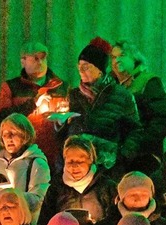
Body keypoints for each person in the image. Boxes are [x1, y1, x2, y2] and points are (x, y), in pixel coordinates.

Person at [61, 36, 144, 179]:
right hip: (76, 167)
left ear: (99, 69)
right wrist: (60, 124)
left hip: (107, 168)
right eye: (79, 66)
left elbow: (136, 130)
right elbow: (65, 130)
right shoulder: (74, 95)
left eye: (86, 66)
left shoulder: (121, 95)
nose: (80, 70)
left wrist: (122, 155)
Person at [0, 41, 69, 169]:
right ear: (23, 61)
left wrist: (62, 122)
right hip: (21, 156)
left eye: (43, 58)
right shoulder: (11, 88)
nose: (40, 62)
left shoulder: (62, 87)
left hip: (55, 155)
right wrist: (32, 104)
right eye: (35, 58)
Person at [0, 113, 50, 225]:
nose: (9, 138)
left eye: (14, 133)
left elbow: (37, 200)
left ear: (25, 136)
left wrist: (6, 196)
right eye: (5, 135)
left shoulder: (37, 163)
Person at [38, 135, 118, 225]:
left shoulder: (106, 187)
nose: (74, 166)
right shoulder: (56, 189)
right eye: (70, 161)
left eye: (80, 161)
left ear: (91, 161)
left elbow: (114, 223)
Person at [111, 39, 166, 171]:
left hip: (144, 157)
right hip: (119, 157)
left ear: (134, 58)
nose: (116, 61)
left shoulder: (148, 82)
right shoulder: (112, 86)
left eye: (122, 55)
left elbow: (161, 118)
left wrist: (139, 143)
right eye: (113, 57)